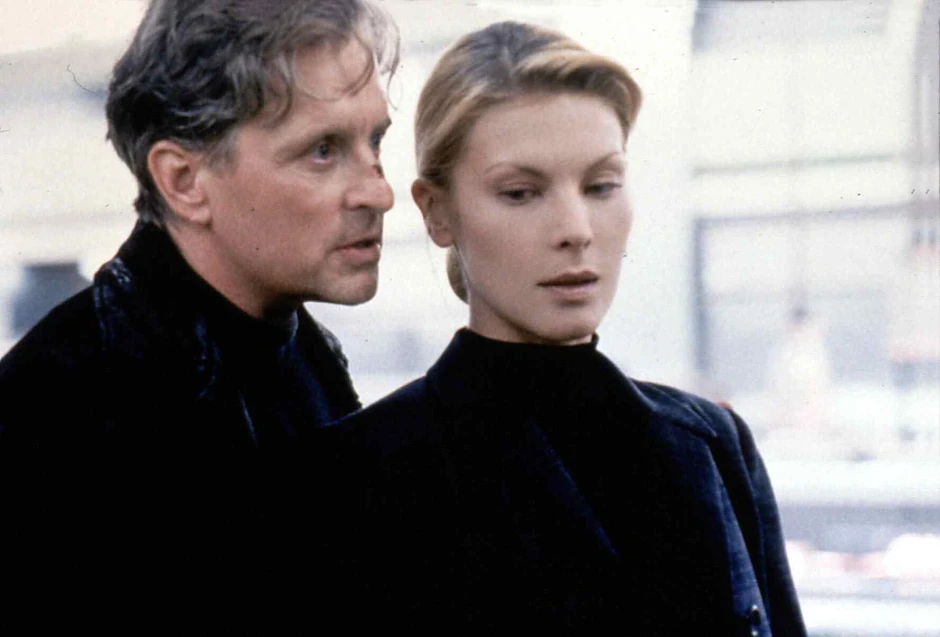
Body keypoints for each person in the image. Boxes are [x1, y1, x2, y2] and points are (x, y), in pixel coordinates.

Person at [323, 21, 807, 635]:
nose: (575, 229)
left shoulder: (710, 443)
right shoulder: (358, 475)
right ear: (437, 211)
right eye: (521, 193)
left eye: (601, 186)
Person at [0, 0, 398, 625]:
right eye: (323, 150)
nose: (380, 191)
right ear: (183, 181)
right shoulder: (58, 405)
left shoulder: (305, 355)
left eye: (375, 141)